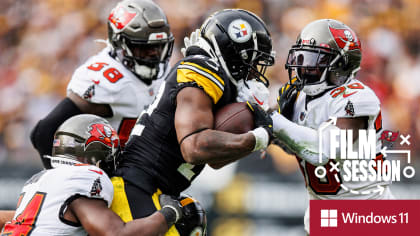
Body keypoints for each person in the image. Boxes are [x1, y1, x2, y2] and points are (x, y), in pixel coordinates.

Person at [110, 8, 275, 235]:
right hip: (137, 187)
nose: (254, 73)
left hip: (157, 191)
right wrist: (259, 138)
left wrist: (255, 137)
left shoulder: (218, 81)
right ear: (231, 51)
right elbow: (194, 146)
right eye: (250, 62)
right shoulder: (203, 69)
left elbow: (214, 160)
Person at [270, 19, 394, 234]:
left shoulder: (359, 97)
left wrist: (273, 122)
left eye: (314, 59)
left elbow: (323, 150)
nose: (304, 66)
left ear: (341, 64)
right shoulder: (300, 97)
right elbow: (296, 145)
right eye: (302, 57)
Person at [30, 0, 174, 169]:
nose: (153, 55)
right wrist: (64, 180)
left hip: (145, 171)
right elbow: (43, 133)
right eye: (143, 48)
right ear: (119, 43)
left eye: (158, 47)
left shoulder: (164, 70)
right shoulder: (104, 80)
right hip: (109, 176)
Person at [1, 114, 185, 236]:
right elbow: (116, 234)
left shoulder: (40, 179)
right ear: (98, 151)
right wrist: (169, 214)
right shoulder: (84, 177)